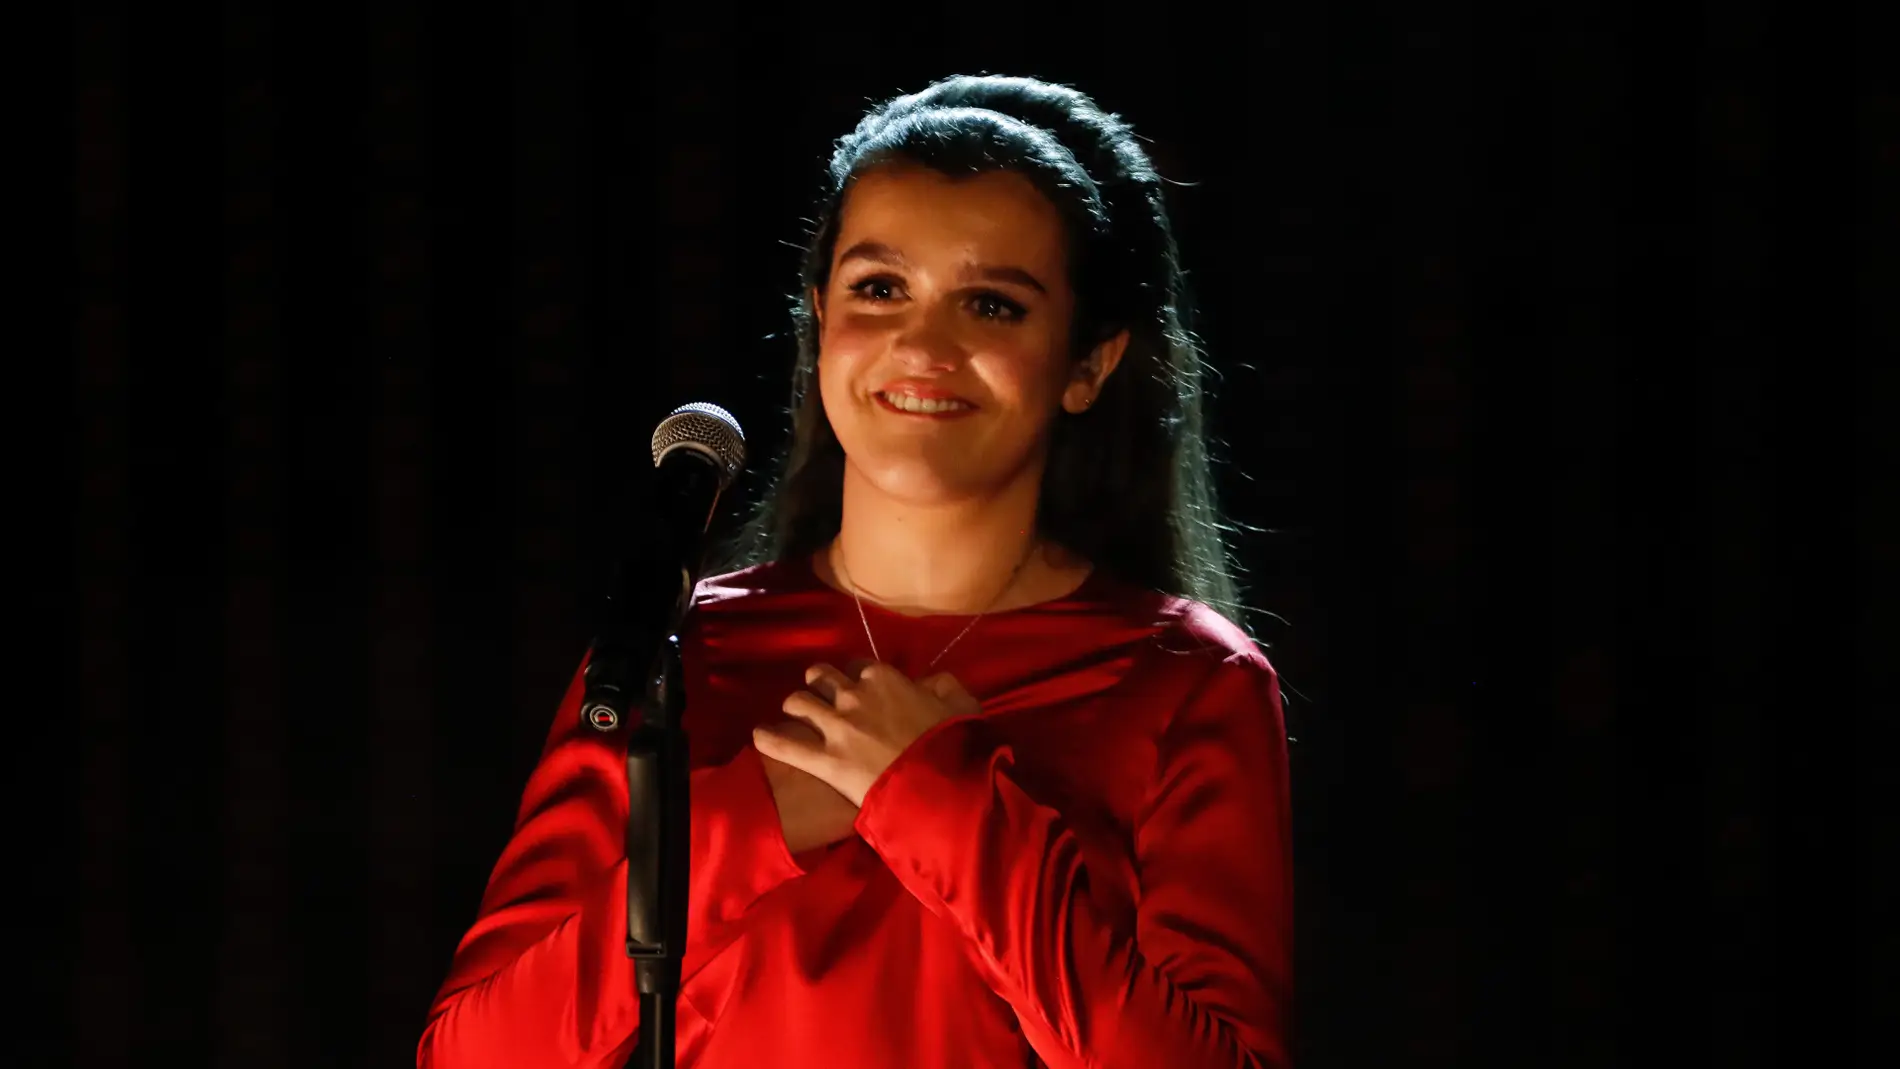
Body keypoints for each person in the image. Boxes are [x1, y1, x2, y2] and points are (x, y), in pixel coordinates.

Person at [418, 74, 1291, 1069]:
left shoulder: (1187, 682)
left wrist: (940, 800)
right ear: (818, 315)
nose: (922, 344)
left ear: (1088, 362)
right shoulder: (677, 650)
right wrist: (754, 820)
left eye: (992, 305)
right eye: (880, 289)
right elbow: (475, 1054)